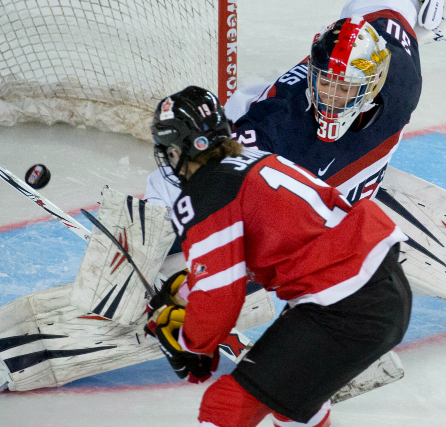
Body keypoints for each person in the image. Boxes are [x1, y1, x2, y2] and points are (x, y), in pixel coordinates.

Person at [149, 86, 412, 426]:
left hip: (344, 304)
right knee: (293, 403)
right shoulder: (255, 159)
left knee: (225, 406)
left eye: (171, 151)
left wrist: (192, 343)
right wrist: (188, 294)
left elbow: (220, 297)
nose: (171, 160)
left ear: (185, 148)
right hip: (380, 287)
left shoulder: (207, 190)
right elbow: (235, 263)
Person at [144, 0, 423, 209]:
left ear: (373, 86)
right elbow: (218, 160)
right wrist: (157, 206)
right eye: (325, 82)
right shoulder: (281, 123)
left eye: (344, 88)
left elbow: (387, 11)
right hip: (257, 119)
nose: (330, 97)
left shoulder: (404, 81)